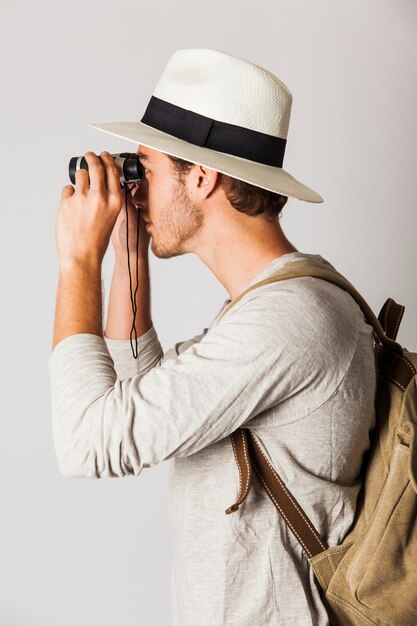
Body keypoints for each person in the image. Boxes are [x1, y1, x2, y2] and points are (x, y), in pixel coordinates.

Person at [49, 48, 377, 625]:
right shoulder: (271, 310)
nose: (136, 188)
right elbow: (140, 395)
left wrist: (78, 260)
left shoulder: (289, 321)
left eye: (144, 169)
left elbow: (89, 440)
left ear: (201, 176)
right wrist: (127, 249)